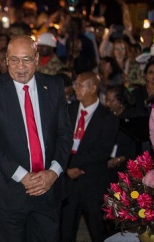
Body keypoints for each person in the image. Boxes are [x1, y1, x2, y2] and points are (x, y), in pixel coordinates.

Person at [0, 35, 73, 242]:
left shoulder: (54, 86)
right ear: (5, 60)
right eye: (14, 60)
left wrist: (53, 173)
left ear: (37, 58)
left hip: (49, 190)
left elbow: (65, 134)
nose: (20, 66)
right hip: (9, 192)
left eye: (27, 59)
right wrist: (22, 176)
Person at [61, 71, 118, 242]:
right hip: (68, 183)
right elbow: (59, 142)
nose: (75, 88)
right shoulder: (67, 110)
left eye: (80, 85)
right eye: (75, 84)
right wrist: (66, 168)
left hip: (93, 183)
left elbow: (103, 151)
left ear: (93, 88)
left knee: (97, 231)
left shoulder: (108, 117)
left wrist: (75, 165)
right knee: (65, 231)